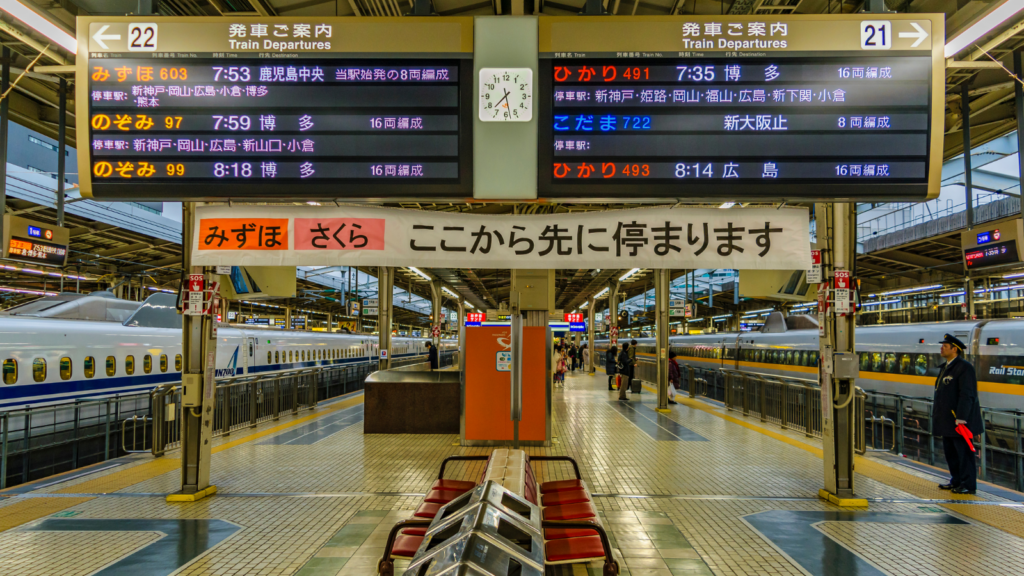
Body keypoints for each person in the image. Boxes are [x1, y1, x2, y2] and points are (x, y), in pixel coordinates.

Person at [931, 333, 983, 495]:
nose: (941, 348)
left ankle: (968, 484)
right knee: (951, 453)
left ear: (955, 349)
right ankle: (956, 481)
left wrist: (961, 418)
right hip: (947, 421)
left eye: (945, 346)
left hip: (959, 422)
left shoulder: (964, 368)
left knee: (964, 454)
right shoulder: (947, 367)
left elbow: (967, 394)